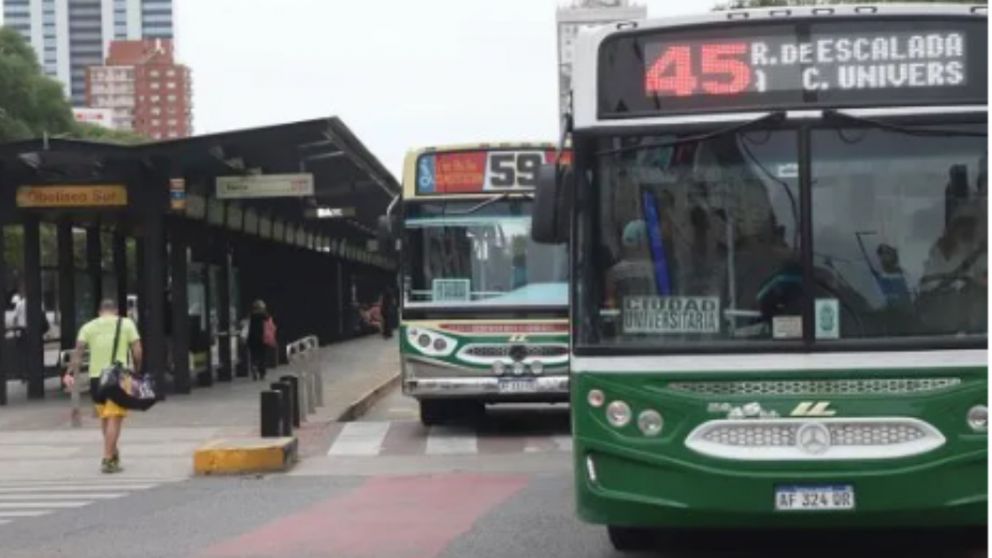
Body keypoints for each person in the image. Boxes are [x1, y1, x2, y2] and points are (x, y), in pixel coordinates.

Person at [64, 299, 142, 474]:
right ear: (116, 311)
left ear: (100, 312)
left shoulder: (88, 327)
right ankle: (107, 458)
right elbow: (137, 350)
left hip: (96, 379)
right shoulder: (127, 324)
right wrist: (137, 369)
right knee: (115, 418)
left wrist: (69, 373)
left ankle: (113, 453)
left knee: (106, 418)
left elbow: (78, 354)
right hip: (118, 376)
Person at [246, 300, 272, 381]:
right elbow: (270, 325)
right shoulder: (265, 316)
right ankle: (262, 373)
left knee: (254, 355)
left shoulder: (251, 316)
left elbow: (247, 327)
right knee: (262, 356)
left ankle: (254, 366)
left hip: (252, 339)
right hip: (262, 339)